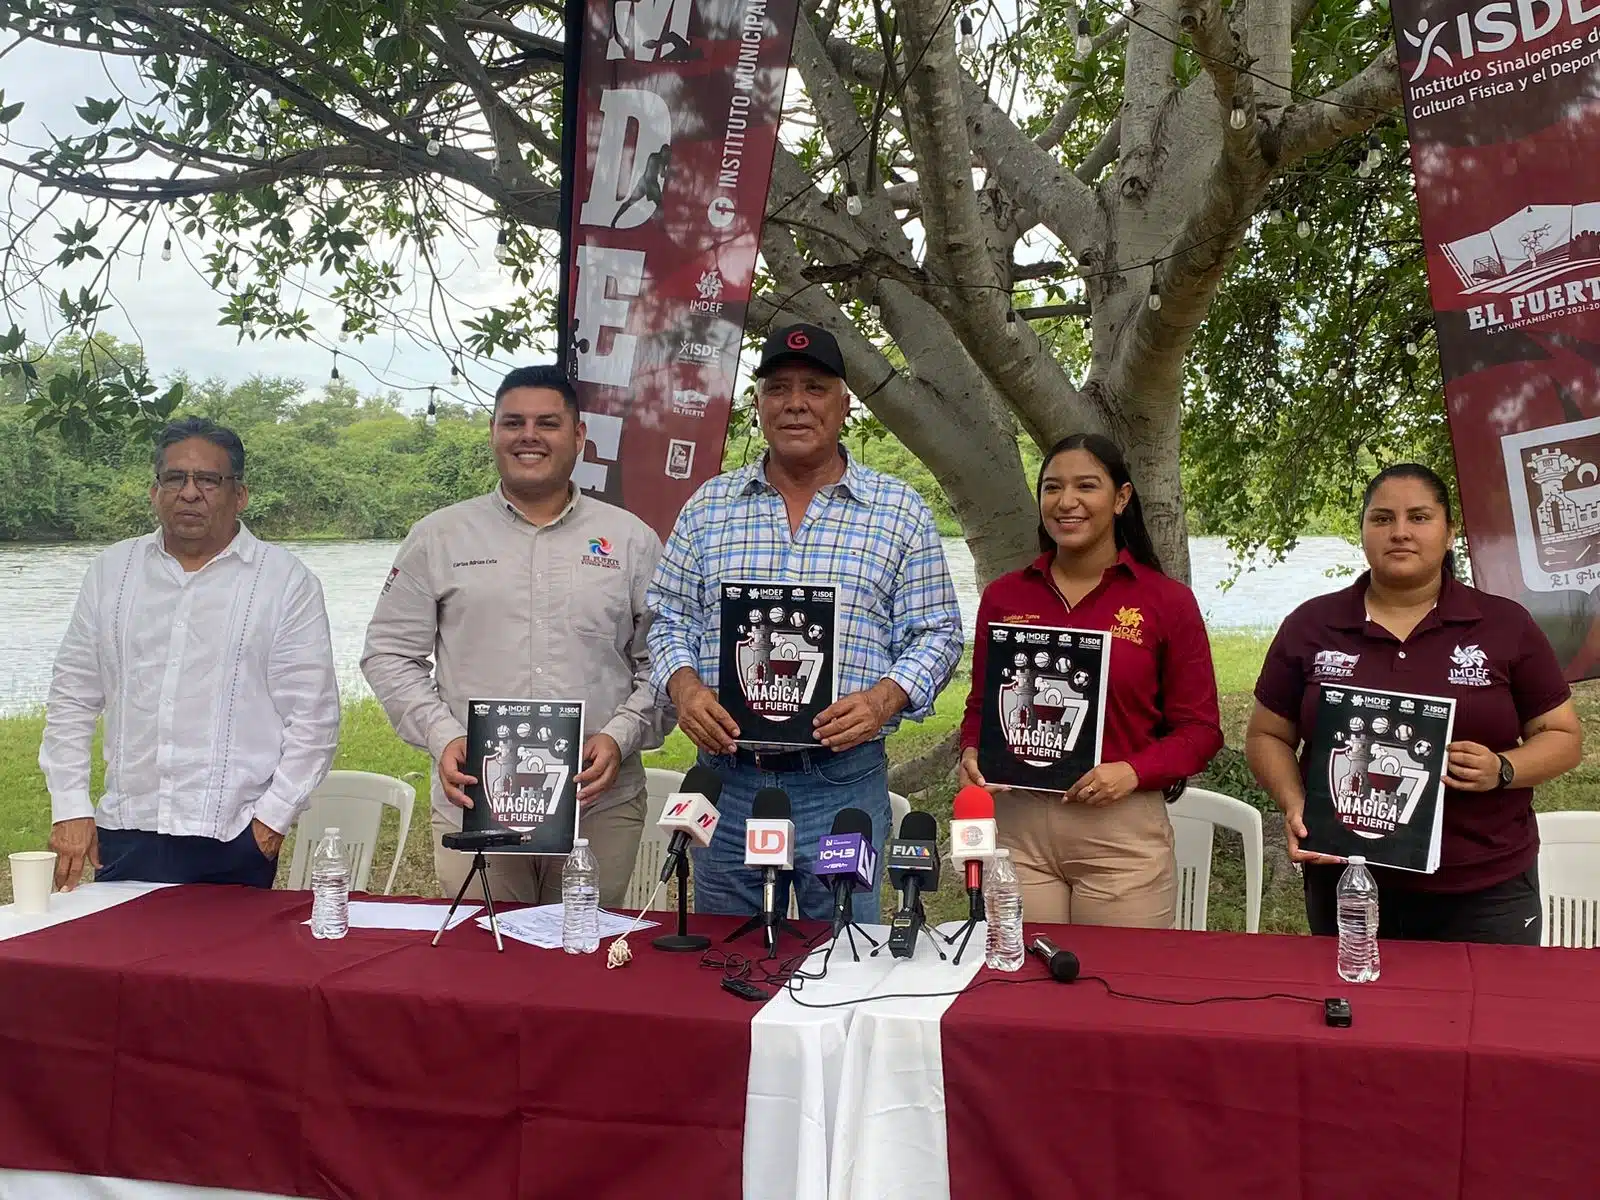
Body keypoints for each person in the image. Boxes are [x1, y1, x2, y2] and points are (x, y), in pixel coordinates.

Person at [648, 323, 963, 922]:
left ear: (844, 405)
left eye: (815, 388)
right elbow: (667, 615)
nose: (796, 403)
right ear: (758, 406)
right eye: (778, 388)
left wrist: (882, 700)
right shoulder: (708, 507)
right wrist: (684, 688)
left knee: (843, 958)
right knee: (722, 958)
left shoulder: (899, 511)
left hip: (841, 782)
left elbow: (938, 632)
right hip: (729, 779)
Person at [362, 364, 669, 908]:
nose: (529, 435)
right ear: (493, 433)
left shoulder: (630, 540)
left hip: (596, 802)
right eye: (513, 423)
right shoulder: (439, 536)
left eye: (548, 423)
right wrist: (442, 736)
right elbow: (389, 654)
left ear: (579, 437)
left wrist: (620, 737)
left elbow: (666, 662)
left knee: (584, 958)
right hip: (477, 797)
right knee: (484, 966)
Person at [1247, 463, 1583, 944]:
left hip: (1483, 886)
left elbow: (1564, 737)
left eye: (1419, 517)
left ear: (1450, 532)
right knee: (1358, 1012)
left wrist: (1502, 768)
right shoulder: (1312, 624)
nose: (1400, 532)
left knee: (1487, 1017)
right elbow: (1266, 735)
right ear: (1362, 530)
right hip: (1349, 877)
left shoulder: (1505, 624)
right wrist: (1296, 802)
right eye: (1382, 518)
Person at [40, 418, 340, 891]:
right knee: (116, 961)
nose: (190, 492)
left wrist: (270, 822)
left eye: (208, 480)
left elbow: (314, 720)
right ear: (154, 491)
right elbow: (73, 698)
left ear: (239, 494)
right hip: (126, 830)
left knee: (226, 966)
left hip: (234, 836)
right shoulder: (111, 573)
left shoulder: (285, 582)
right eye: (175, 478)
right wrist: (71, 807)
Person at [957, 433, 1224, 928]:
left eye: (1087, 486)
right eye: (1052, 488)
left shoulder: (1166, 602)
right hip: (1018, 824)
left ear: (1121, 498)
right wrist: (972, 751)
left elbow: (1201, 732)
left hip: (1120, 832)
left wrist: (1133, 771)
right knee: (1022, 986)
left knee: (1116, 990)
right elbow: (981, 705)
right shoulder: (1004, 597)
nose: (1067, 502)